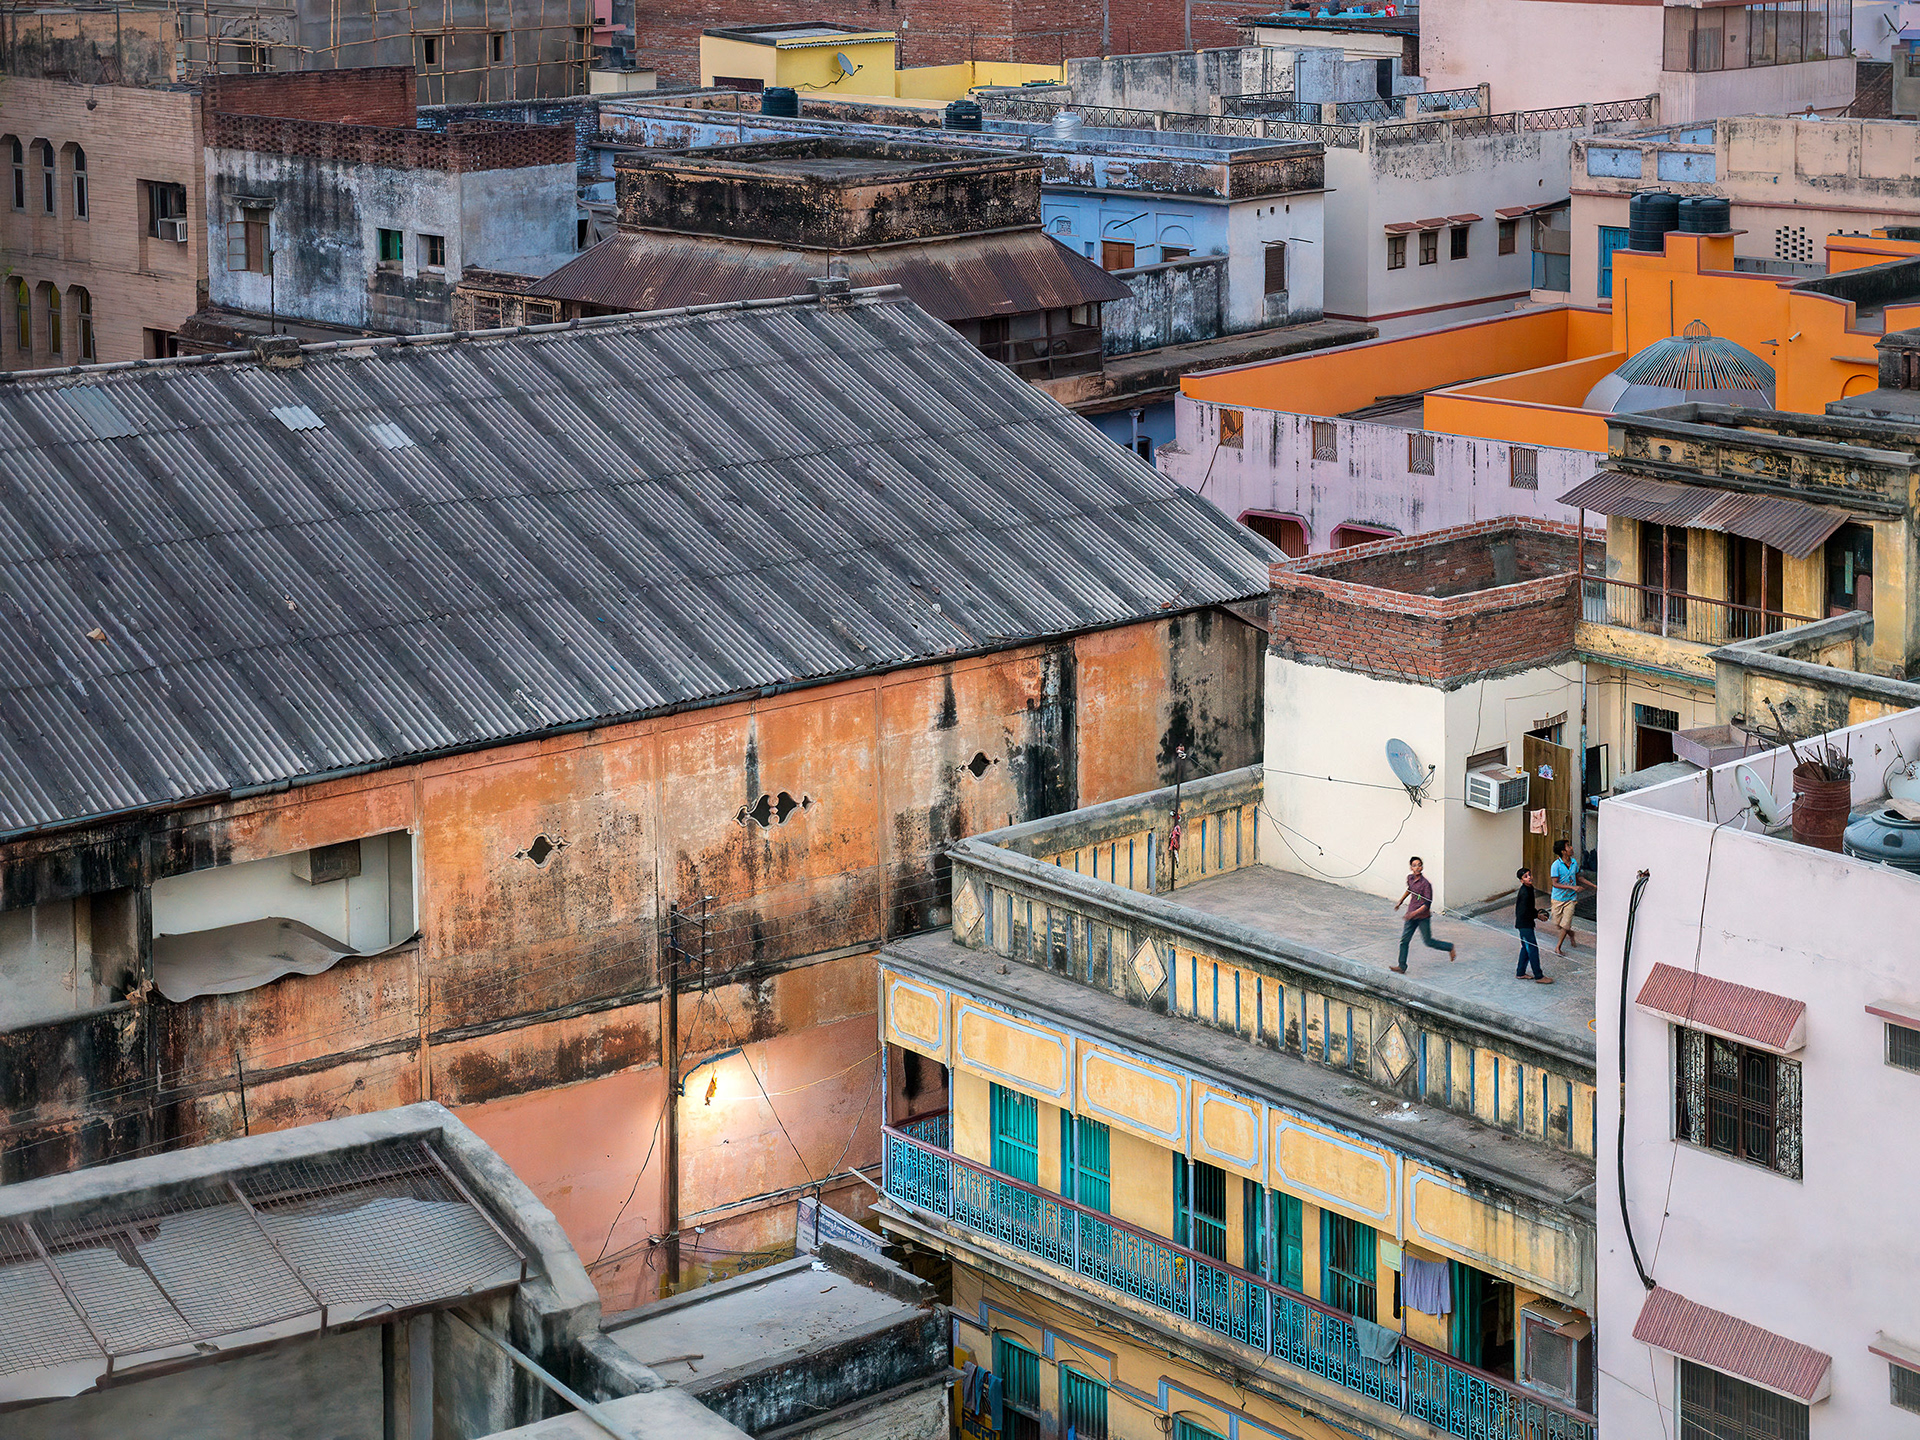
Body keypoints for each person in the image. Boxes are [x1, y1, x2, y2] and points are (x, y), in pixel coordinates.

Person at [1392, 856, 1457, 971]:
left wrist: (1413, 914)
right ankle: (1402, 966)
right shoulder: (1410, 878)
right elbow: (1409, 889)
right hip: (1411, 915)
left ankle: (1449, 947)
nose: (1417, 867)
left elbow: (1426, 905)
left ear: (1422, 867)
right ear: (1411, 867)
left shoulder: (1426, 884)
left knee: (1428, 941)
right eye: (1415, 865)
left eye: (1419, 865)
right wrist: (1400, 901)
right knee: (1404, 941)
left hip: (1422, 917)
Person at [1548, 838, 1594, 955]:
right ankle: (1570, 933)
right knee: (1557, 924)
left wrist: (1593, 885)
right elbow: (1555, 883)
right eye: (1568, 846)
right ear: (1563, 851)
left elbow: (1579, 877)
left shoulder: (1574, 863)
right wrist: (1572, 887)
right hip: (1558, 899)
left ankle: (1558, 947)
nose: (1571, 848)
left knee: (1566, 924)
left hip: (1571, 899)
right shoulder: (1556, 865)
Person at [1514, 867, 1551, 983]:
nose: (1529, 877)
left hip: (1527, 923)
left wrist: (1536, 913)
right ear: (1521, 880)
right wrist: (1537, 915)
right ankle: (1539, 976)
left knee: (1526, 948)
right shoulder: (1524, 892)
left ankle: (1520, 973)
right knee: (1532, 949)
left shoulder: (1530, 888)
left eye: (1529, 875)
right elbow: (1524, 911)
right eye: (1525, 876)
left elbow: (1530, 908)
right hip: (1524, 925)